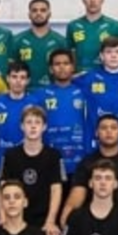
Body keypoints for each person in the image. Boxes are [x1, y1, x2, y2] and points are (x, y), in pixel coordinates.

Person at [61, 115, 118, 229]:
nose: (109, 131)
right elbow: (77, 193)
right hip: (94, 219)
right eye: (104, 128)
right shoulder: (86, 162)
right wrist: (67, 212)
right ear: (97, 133)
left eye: (113, 128)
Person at [1, 106, 64, 235]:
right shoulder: (10, 155)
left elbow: (56, 189)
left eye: (37, 122)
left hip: (43, 218)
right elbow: (3, 188)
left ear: (44, 127)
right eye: (29, 122)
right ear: (22, 126)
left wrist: (50, 221)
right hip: (16, 216)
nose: (33, 126)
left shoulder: (53, 155)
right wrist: (3, 218)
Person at [74, 37, 118, 152]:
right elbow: (65, 83)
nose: (113, 56)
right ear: (101, 56)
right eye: (109, 52)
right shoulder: (87, 78)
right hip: (96, 140)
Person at [40, 49, 89, 178]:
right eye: (57, 64)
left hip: (79, 157)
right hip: (49, 159)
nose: (62, 67)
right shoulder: (40, 95)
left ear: (73, 67)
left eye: (66, 63)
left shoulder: (85, 92)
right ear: (51, 69)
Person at [0, 62, 42, 173]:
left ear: (28, 81)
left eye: (22, 77)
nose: (18, 81)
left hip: (25, 159)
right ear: (7, 78)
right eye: (14, 77)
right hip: (0, 158)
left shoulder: (34, 102)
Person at [12, 0, 67, 90]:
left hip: (53, 91)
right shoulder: (17, 40)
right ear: (29, 15)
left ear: (49, 14)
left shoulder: (60, 41)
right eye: (34, 10)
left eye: (43, 10)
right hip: (25, 92)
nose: (38, 13)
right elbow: (12, 69)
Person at [66, 0, 118, 73]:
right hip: (81, 76)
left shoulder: (115, 26)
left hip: (106, 76)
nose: (92, 0)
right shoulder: (73, 26)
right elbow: (69, 55)